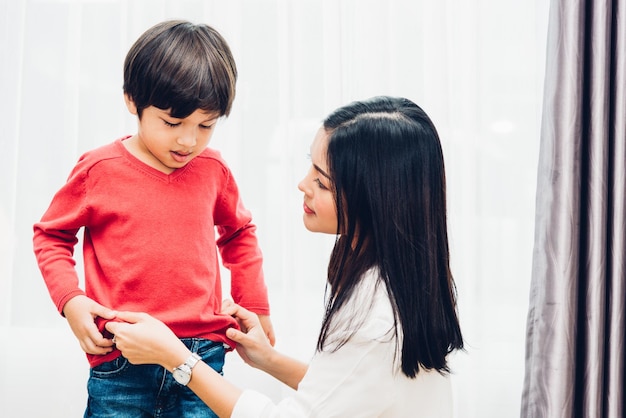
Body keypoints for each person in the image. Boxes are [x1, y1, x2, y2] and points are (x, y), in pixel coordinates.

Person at [106, 95, 464, 417]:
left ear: (374, 202)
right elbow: (347, 393)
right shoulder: (405, 283)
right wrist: (270, 360)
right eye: (311, 165)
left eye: (322, 182)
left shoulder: (376, 321)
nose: (303, 184)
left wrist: (177, 358)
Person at [33, 20, 274, 418]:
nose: (188, 140)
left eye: (205, 126)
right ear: (132, 100)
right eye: (172, 123)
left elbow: (240, 233)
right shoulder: (99, 169)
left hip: (202, 356)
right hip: (121, 357)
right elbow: (51, 236)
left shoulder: (214, 169)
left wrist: (256, 305)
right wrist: (71, 301)